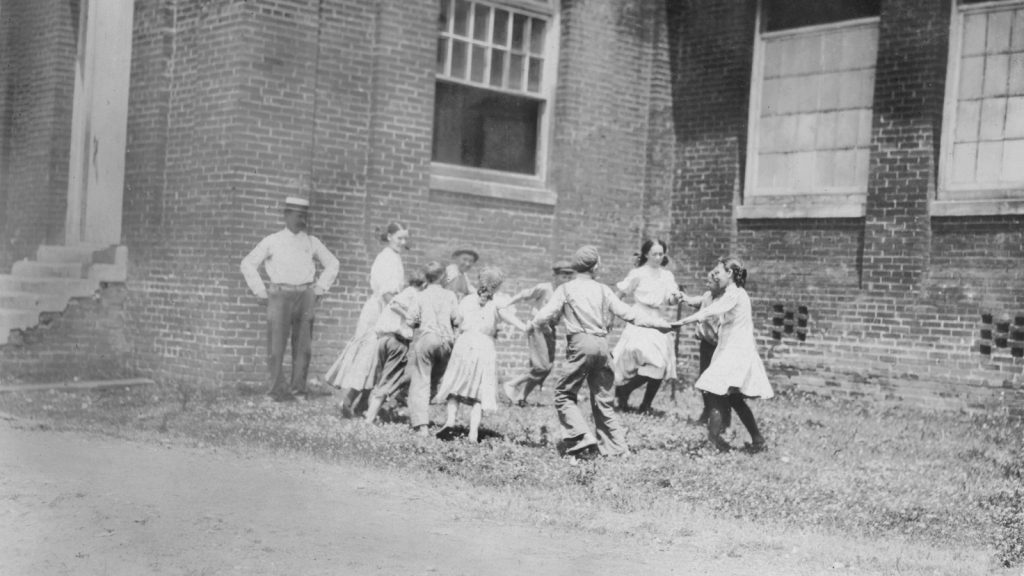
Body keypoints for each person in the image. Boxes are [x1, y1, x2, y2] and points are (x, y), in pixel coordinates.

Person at [531, 245, 678, 460]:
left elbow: (545, 315)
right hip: (602, 346)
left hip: (581, 344)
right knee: (603, 400)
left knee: (563, 394)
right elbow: (630, 314)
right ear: (595, 266)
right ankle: (618, 449)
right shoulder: (603, 289)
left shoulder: (566, 289)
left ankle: (581, 435)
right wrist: (658, 324)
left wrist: (535, 322)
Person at [240, 196, 340, 402]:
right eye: (296, 215)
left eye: (304, 216)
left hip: (305, 295)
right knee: (276, 347)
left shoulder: (312, 242)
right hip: (280, 296)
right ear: (286, 216)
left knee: (303, 347)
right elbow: (247, 264)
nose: (300, 219)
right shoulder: (272, 240)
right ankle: (275, 391)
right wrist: (260, 291)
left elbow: (333, 263)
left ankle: (298, 391)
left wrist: (320, 287)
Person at [678, 257, 772, 453]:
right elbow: (707, 303)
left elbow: (712, 310)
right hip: (732, 349)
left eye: (718, 273)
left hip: (736, 352)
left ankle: (712, 443)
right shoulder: (731, 293)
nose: (714, 276)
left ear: (729, 274)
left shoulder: (735, 294)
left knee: (714, 391)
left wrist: (683, 322)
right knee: (734, 399)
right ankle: (758, 439)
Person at [435, 267, 527, 443]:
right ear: (498, 286)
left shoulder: (467, 300)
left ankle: (450, 421)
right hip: (485, 346)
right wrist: (527, 327)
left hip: (465, 343)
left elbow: (456, 321)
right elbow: (514, 321)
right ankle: (473, 432)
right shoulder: (498, 303)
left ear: (479, 281)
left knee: (456, 382)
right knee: (480, 389)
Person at [326, 221, 408, 418]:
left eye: (406, 239)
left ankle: (361, 404)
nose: (403, 242)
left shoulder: (394, 257)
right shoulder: (386, 258)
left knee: (378, 359)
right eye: (399, 238)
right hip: (380, 310)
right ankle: (347, 401)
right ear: (389, 237)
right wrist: (404, 314)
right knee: (371, 356)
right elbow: (387, 293)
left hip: (385, 308)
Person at [612, 239, 683, 413]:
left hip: (657, 319)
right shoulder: (638, 273)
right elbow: (620, 294)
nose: (658, 257)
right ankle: (623, 391)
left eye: (661, 254)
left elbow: (670, 299)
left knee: (659, 363)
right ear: (646, 254)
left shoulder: (666, 276)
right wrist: (612, 313)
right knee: (634, 357)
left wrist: (675, 297)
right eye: (654, 254)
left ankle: (644, 404)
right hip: (639, 318)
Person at [502, 259, 576, 406]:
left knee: (546, 368)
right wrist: (507, 304)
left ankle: (522, 397)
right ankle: (512, 383)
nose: (566, 280)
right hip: (537, 327)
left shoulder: (566, 293)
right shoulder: (545, 288)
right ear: (555, 276)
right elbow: (524, 294)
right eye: (563, 276)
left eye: (569, 277)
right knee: (541, 367)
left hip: (550, 329)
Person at [363, 269, 428, 424]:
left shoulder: (405, 292)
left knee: (383, 379)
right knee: (389, 380)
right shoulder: (412, 293)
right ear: (424, 284)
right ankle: (369, 419)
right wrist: (410, 317)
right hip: (397, 341)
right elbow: (394, 305)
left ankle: (375, 412)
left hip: (384, 339)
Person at [405, 261, 461, 435]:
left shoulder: (420, 295)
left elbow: (410, 320)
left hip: (428, 339)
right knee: (435, 380)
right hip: (446, 342)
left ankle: (422, 425)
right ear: (443, 276)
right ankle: (431, 413)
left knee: (421, 380)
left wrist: (419, 321)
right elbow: (457, 320)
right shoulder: (450, 295)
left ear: (425, 277)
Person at [679, 269, 728, 426]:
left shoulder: (725, 300)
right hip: (705, 345)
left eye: (711, 282)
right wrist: (685, 298)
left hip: (718, 347)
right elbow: (698, 301)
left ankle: (723, 419)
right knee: (704, 380)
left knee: (718, 385)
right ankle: (707, 411)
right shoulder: (708, 296)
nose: (708, 285)